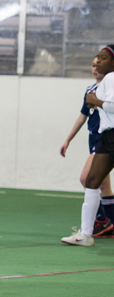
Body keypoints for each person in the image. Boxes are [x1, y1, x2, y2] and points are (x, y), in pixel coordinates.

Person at [61, 45, 114, 246]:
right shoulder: (98, 85)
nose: (98, 63)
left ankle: (96, 226)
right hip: (106, 137)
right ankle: (87, 233)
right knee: (93, 181)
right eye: (96, 60)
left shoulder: (109, 80)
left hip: (108, 137)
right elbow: (84, 115)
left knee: (90, 180)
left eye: (102, 59)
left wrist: (97, 101)